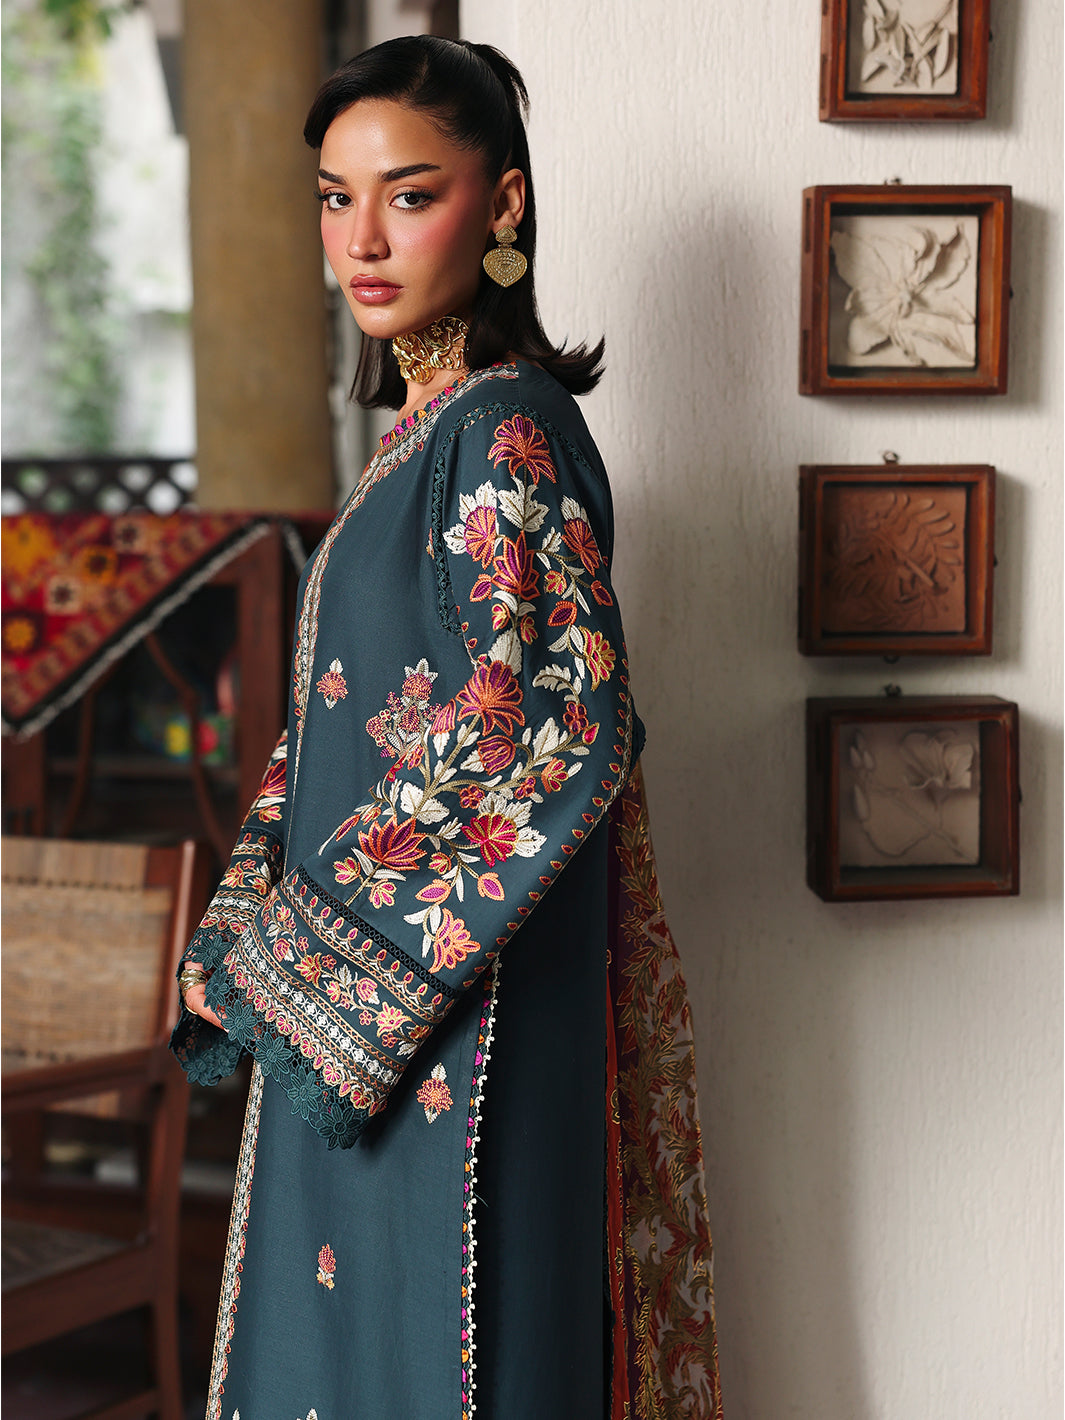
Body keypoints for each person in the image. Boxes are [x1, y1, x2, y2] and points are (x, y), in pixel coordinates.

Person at [172, 35, 722, 1420]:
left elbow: (547, 719)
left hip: (458, 1022)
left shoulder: (507, 429)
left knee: (455, 1354)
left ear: (504, 204)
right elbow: (339, 732)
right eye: (334, 197)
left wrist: (304, 965)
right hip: (371, 1017)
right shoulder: (426, 436)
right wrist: (246, 928)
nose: (361, 239)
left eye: (408, 195)